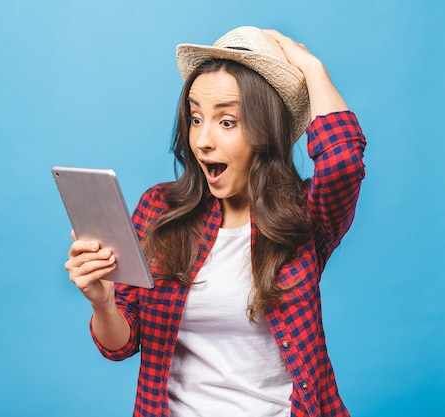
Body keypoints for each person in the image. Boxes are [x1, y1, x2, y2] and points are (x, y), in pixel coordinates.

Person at [65, 26, 366, 417]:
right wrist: (103, 302)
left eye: (227, 122)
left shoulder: (304, 216)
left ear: (266, 133)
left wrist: (310, 67)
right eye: (195, 118)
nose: (203, 140)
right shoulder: (158, 210)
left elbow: (343, 159)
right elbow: (120, 345)